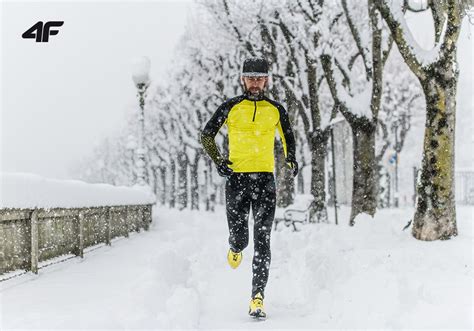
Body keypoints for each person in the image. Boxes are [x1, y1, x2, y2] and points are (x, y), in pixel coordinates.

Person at [200, 57, 297, 319]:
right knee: (242, 238)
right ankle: (235, 246)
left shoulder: (276, 109)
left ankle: (257, 296)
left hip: (265, 181)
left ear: (267, 80)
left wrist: (291, 158)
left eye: (260, 78)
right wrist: (219, 161)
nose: (255, 82)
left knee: (263, 239)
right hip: (237, 181)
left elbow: (288, 137)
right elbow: (207, 134)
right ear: (243, 79)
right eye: (250, 77)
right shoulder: (230, 107)